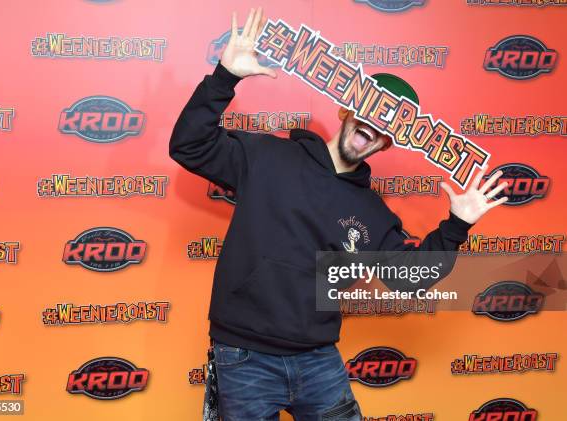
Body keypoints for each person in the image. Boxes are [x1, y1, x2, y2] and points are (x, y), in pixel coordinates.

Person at [169, 7, 507, 421]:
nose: (374, 126)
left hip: (317, 361)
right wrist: (225, 77)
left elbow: (408, 278)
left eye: (387, 125)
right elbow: (189, 145)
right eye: (370, 111)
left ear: (386, 144)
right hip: (244, 357)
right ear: (347, 110)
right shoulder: (267, 157)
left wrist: (457, 225)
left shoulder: (371, 212)